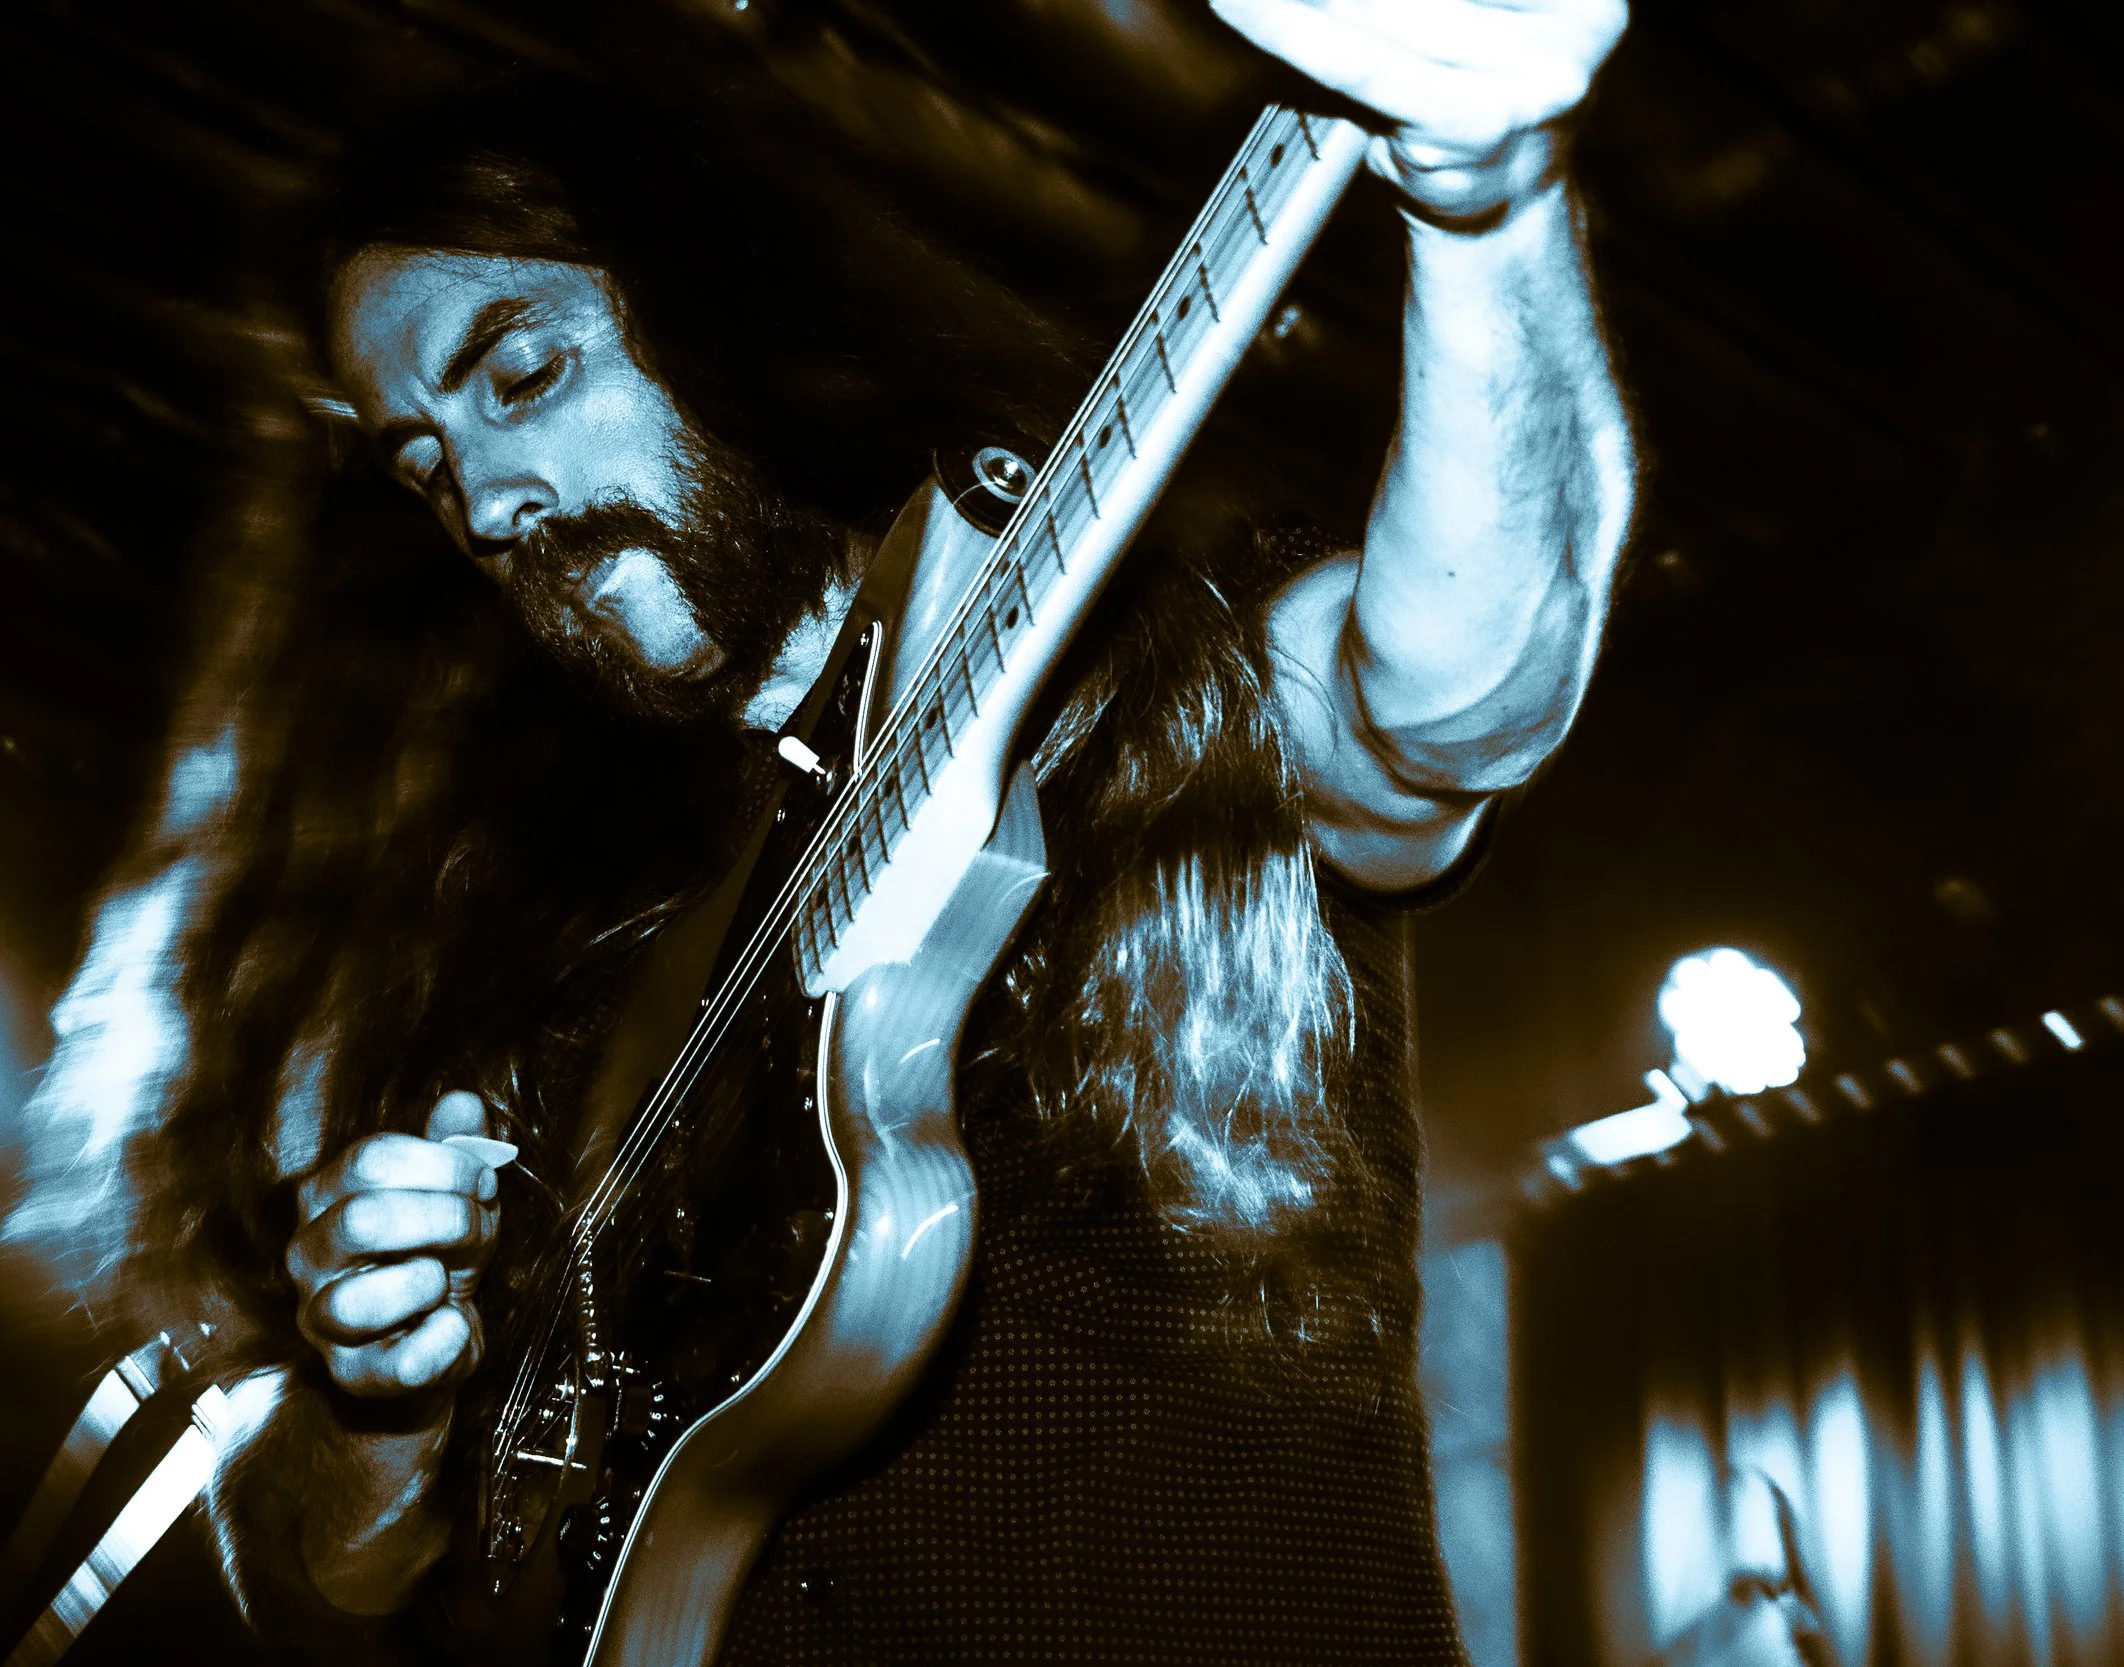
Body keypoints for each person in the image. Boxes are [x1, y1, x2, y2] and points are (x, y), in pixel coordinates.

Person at [12, 0, 1633, 1658]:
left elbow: (1445, 713)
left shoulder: (1133, 657)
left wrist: (1489, 208)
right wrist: (383, 1393)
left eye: (522, 372)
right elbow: (338, 1577)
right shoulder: (584, 971)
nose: (492, 503)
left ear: (719, 310)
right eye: (430, 467)